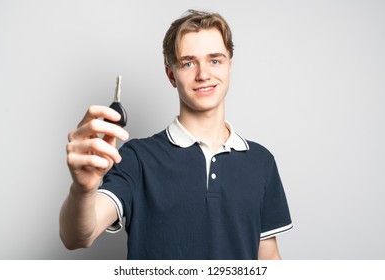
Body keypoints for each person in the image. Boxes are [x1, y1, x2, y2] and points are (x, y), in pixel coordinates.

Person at [60, 9, 292, 260]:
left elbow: (268, 260)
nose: (203, 74)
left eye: (215, 60)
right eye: (188, 63)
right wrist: (82, 190)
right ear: (171, 74)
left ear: (229, 67)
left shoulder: (261, 161)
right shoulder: (137, 158)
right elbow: (78, 236)